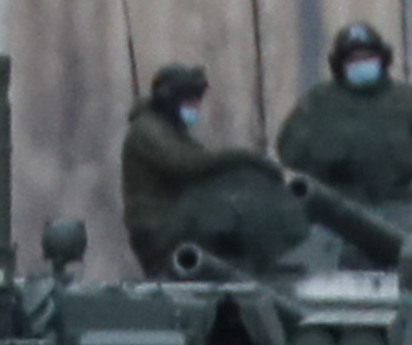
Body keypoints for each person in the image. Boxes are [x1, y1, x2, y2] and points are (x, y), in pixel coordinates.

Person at [120, 63, 294, 274]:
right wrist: (244, 158)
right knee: (226, 212)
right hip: (160, 230)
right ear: (170, 100)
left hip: (176, 224)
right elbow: (188, 164)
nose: (195, 106)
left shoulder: (170, 131)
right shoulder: (146, 131)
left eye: (197, 100)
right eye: (189, 101)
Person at [276, 23, 412, 201]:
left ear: (382, 59)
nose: (362, 64)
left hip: (397, 202)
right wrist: (326, 160)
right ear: (339, 64)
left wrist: (406, 160)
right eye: (353, 60)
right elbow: (290, 150)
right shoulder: (319, 101)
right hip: (336, 203)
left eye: (369, 57)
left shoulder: (407, 99)